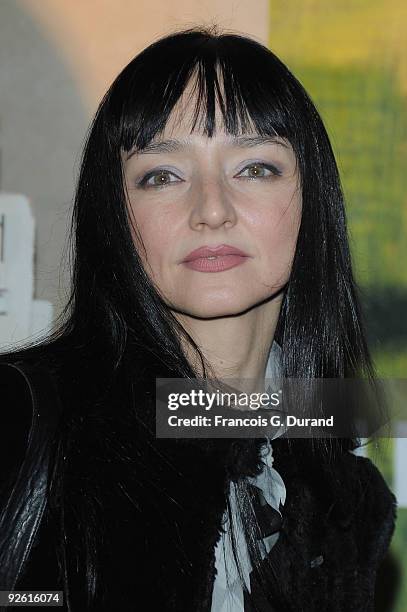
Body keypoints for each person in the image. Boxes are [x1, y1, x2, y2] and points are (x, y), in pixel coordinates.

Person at [0, 25, 397, 611]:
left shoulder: (347, 507)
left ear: (313, 200)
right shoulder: (20, 420)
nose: (211, 210)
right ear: (115, 215)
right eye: (162, 175)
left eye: (254, 168)